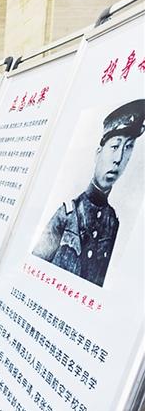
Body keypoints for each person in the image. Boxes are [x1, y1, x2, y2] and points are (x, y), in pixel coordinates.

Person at [33, 99, 145, 287]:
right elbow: (33, 268)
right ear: (98, 153)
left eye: (128, 147)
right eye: (115, 146)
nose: (119, 158)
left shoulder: (112, 222)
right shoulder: (67, 214)